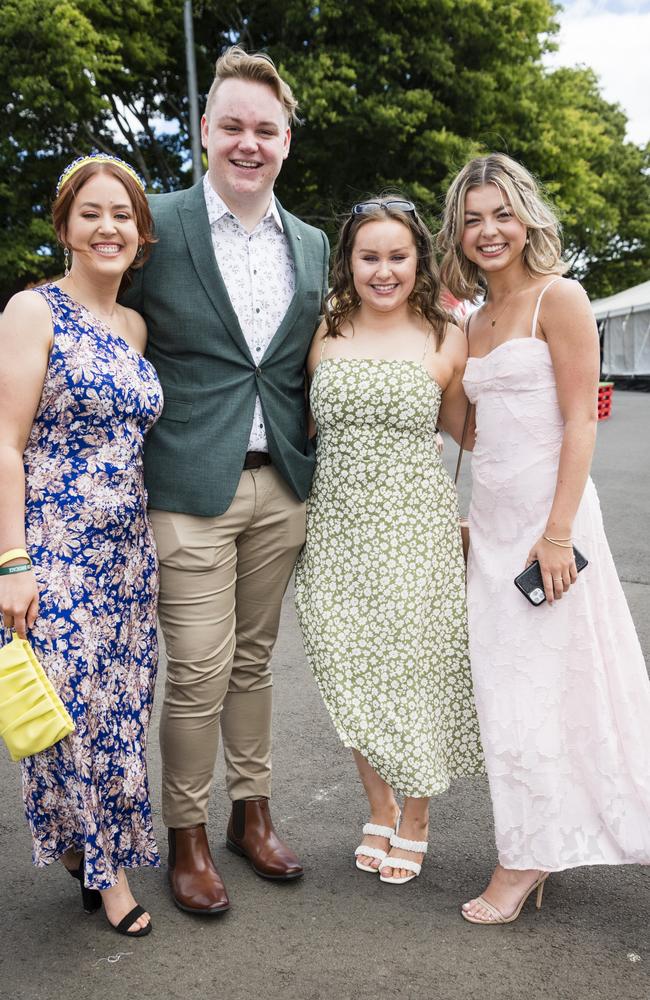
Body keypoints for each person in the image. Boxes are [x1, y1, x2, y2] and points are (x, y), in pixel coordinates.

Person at [121, 46, 329, 914]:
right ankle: (188, 834)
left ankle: (251, 814)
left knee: (252, 664)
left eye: (266, 130)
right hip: (185, 486)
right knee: (199, 669)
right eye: (232, 126)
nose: (249, 143)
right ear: (205, 131)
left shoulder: (314, 244)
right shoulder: (156, 223)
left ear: (286, 141)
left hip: (280, 484)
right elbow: (100, 310)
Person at [437, 152, 650, 924]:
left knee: (561, 686)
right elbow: (471, 426)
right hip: (492, 528)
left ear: (528, 216)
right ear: (457, 234)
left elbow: (579, 421)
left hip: (551, 527)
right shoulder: (473, 320)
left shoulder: (559, 298)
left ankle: (522, 859)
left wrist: (557, 533)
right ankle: (540, 839)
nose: (488, 231)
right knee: (511, 692)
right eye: (472, 219)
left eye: (501, 213)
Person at [294, 198, 484, 884]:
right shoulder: (323, 329)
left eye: (397, 257)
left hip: (416, 530)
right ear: (348, 261)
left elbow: (471, 434)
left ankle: (418, 814)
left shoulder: (447, 335)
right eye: (368, 257)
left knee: (418, 671)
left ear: (419, 262)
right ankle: (378, 802)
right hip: (337, 530)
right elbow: (299, 429)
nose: (383, 270)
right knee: (349, 668)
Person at [0, 153, 163, 937]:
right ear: (64, 226)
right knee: (64, 709)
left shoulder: (132, 325)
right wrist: (11, 561)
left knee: (118, 713)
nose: (109, 227)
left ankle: (84, 849)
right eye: (91, 212)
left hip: (127, 554)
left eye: (123, 214)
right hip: (52, 548)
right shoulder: (32, 310)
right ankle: (111, 877)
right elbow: (4, 440)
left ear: (141, 233)